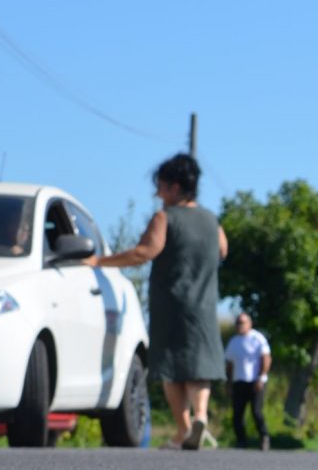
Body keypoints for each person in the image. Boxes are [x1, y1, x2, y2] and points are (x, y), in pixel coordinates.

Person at [85, 153, 227, 450]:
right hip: (204, 304)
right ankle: (200, 415)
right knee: (199, 364)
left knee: (171, 366)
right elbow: (222, 251)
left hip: (172, 302)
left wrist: (100, 261)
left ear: (175, 188)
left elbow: (145, 252)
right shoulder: (211, 220)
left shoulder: (165, 217)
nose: (157, 193)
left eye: (160, 186)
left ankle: (183, 429)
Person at [225, 312, 271, 450]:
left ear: (249, 323)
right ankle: (241, 441)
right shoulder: (234, 342)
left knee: (256, 412)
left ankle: (264, 437)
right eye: (237, 322)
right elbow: (230, 364)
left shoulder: (257, 338)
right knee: (237, 414)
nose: (239, 325)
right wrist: (229, 383)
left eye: (242, 322)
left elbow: (266, 359)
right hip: (239, 381)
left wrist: (261, 377)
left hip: (255, 381)